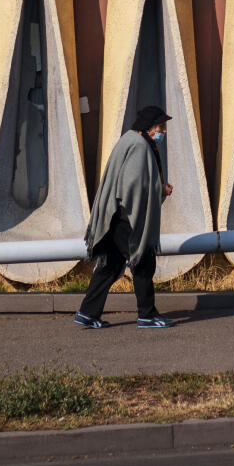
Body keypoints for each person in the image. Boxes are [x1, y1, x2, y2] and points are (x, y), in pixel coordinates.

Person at [74, 105, 174, 329]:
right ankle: (147, 315)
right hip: (125, 215)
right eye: (161, 127)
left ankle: (87, 313)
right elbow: (133, 185)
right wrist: (159, 190)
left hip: (114, 213)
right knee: (143, 261)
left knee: (111, 264)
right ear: (149, 128)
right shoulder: (139, 147)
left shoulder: (130, 139)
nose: (163, 131)